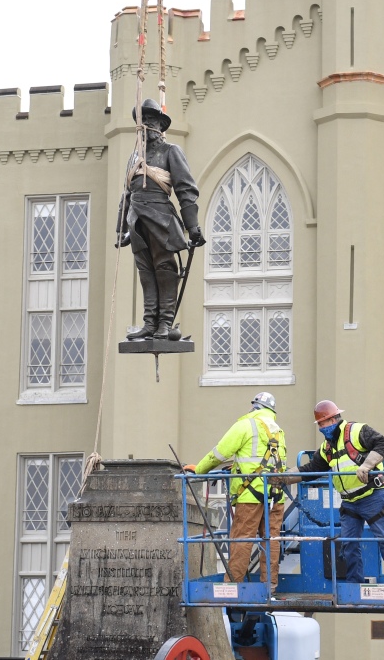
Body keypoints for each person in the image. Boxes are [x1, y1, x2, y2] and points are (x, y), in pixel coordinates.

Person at [115, 98, 204, 340]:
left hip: (161, 219)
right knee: (146, 272)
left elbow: (186, 189)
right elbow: (127, 193)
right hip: (137, 221)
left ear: (160, 126)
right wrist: (121, 228)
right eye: (142, 122)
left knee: (165, 269)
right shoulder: (133, 158)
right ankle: (149, 323)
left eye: (151, 121)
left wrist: (192, 226)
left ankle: (165, 323)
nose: (146, 127)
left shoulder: (170, 152)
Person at [292, 400, 384, 584]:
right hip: (350, 502)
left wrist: (367, 466)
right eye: (319, 424)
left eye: (323, 422)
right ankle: (354, 583)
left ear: (334, 418)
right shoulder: (327, 447)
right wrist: (282, 477)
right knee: (348, 544)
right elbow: (311, 469)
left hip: (372, 496)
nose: (321, 427)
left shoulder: (357, 431)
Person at [184, 392, 286, 594]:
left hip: (251, 496)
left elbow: (219, 453)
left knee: (242, 538)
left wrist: (200, 470)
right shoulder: (278, 431)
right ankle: (270, 585)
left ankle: (232, 586)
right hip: (276, 495)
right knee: (271, 539)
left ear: (255, 407)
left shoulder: (246, 425)